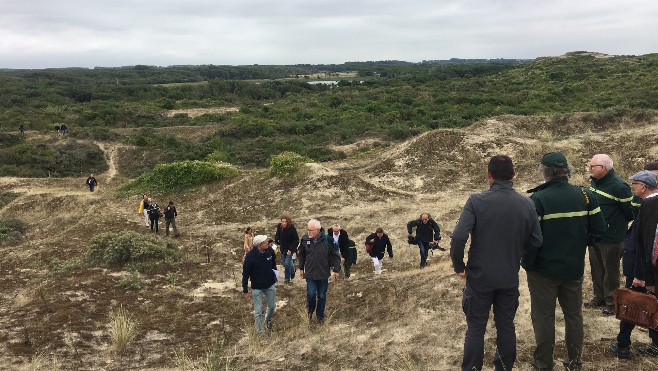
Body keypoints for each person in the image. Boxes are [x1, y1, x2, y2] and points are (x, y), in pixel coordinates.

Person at [450, 155, 543, 371]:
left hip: (479, 278)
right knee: (505, 326)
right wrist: (515, 252)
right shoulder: (527, 204)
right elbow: (536, 241)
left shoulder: (476, 201)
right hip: (509, 278)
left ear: (488, 175)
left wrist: (459, 267)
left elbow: (458, 238)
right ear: (513, 175)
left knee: (475, 328)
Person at [523, 152, 607, 370]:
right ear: (566, 171)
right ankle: (575, 361)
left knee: (543, 318)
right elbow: (600, 230)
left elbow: (530, 241)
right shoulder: (585, 195)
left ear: (545, 172)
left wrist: (527, 264)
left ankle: (543, 364)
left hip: (543, 271)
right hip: (574, 268)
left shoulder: (538, 200)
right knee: (574, 316)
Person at [609, 170, 658, 359]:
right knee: (653, 304)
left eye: (635, 185)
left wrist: (640, 275)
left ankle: (622, 346)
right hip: (648, 269)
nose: (633, 188)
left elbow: (644, 243)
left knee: (631, 306)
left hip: (643, 270)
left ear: (643, 187)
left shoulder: (649, 205)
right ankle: (655, 345)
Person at [587, 154, 634, 315]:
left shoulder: (620, 186)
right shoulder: (594, 182)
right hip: (595, 236)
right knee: (596, 268)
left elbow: (630, 211)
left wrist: (615, 225)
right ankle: (599, 297)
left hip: (612, 237)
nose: (589, 169)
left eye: (592, 166)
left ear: (603, 169)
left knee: (611, 271)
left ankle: (611, 302)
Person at [298, 219, 341, 323]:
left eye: (311, 230)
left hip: (323, 273)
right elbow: (302, 254)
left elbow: (336, 254)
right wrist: (301, 268)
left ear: (318, 230)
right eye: (308, 229)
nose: (309, 232)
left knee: (322, 296)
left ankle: (320, 316)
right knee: (311, 294)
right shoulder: (305, 239)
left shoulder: (327, 240)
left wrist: (336, 270)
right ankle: (310, 312)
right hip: (310, 273)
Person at [242, 234, 277, 335]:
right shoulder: (250, 257)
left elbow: (273, 263)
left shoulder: (270, 251)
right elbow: (245, 275)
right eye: (265, 242)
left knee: (272, 306)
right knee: (258, 311)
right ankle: (260, 333)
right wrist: (245, 291)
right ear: (259, 245)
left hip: (270, 284)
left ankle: (268, 319)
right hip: (257, 287)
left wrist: (275, 274)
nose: (267, 243)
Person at [274, 216, 299, 284]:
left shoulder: (292, 229)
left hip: (290, 249)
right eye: (283, 222)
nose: (284, 223)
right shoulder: (279, 227)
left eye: (285, 222)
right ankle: (293, 271)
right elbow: (277, 235)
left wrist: (291, 250)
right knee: (284, 264)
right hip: (283, 249)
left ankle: (287, 279)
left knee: (287, 264)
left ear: (288, 222)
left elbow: (296, 240)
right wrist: (277, 240)